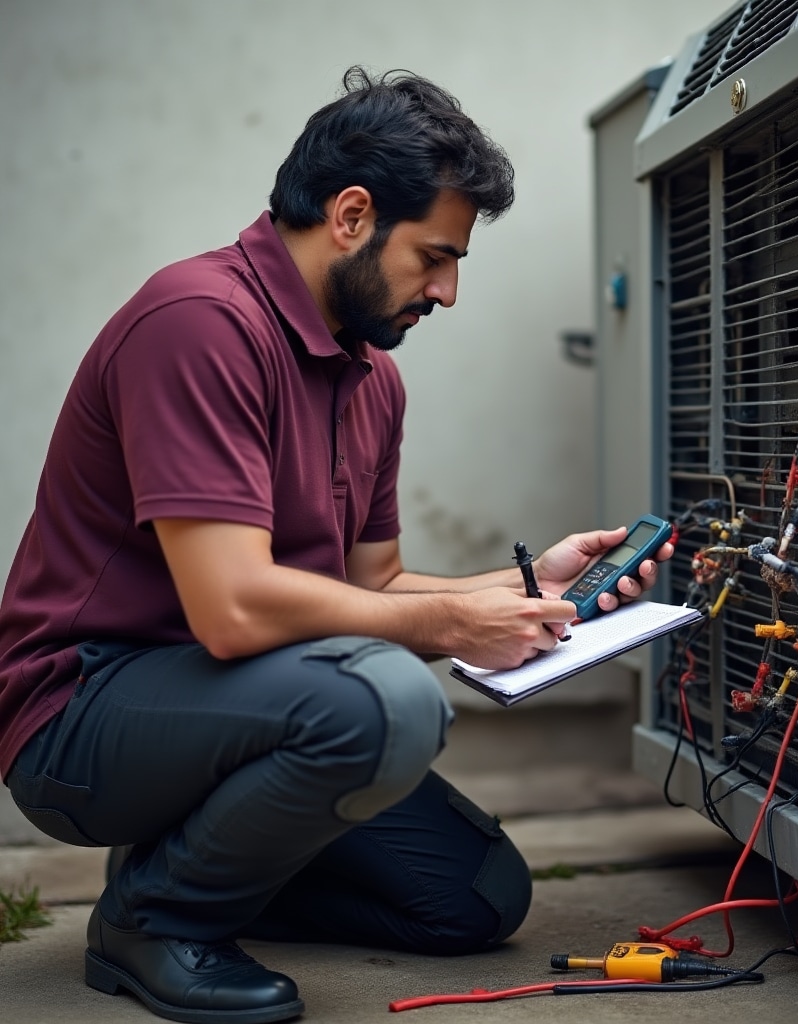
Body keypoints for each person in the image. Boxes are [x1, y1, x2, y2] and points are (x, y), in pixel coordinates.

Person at [0, 67, 671, 1024]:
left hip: (235, 710)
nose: (446, 291)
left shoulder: (370, 377)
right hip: (86, 717)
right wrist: (451, 624)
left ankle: (196, 855)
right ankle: (153, 919)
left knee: (478, 897)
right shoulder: (199, 323)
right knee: (388, 699)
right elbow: (233, 610)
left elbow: (378, 585)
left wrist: (529, 585)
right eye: (435, 256)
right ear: (351, 215)